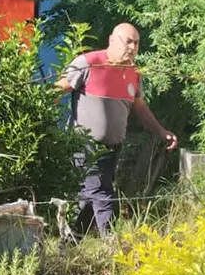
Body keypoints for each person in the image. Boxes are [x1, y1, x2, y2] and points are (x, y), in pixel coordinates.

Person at [55, 22, 178, 237]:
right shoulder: (88, 63)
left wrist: (161, 131)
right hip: (86, 146)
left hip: (113, 148)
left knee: (89, 196)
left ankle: (69, 245)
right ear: (112, 40)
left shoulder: (133, 73)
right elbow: (60, 88)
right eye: (128, 41)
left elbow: (139, 106)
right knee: (102, 193)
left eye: (137, 43)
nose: (132, 47)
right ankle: (114, 245)